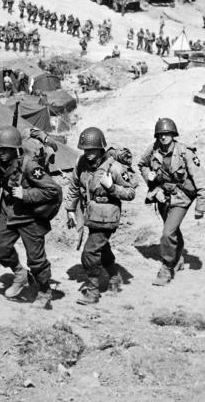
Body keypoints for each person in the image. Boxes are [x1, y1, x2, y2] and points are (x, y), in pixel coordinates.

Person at [0, 126, 61, 308]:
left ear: (15, 148)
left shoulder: (29, 165)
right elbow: (1, 175)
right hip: (9, 210)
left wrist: (26, 194)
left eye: (5, 149)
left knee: (36, 259)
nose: (1, 153)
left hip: (30, 216)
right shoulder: (0, 160)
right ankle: (20, 274)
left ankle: (44, 291)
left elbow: (53, 190)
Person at [64, 127, 138, 305]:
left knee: (90, 252)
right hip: (91, 215)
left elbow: (130, 193)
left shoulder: (114, 167)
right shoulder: (82, 163)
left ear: (101, 148)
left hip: (107, 216)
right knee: (101, 248)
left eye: (92, 150)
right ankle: (114, 277)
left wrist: (111, 187)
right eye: (86, 150)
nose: (88, 153)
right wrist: (70, 209)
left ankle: (93, 291)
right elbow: (74, 186)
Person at [137, 118, 205, 285]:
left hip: (182, 196)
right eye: (160, 134)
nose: (163, 137)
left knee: (168, 233)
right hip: (163, 195)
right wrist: (149, 178)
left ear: (173, 134)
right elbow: (141, 164)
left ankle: (167, 267)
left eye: (167, 134)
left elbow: (203, 181)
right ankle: (178, 259)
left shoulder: (185, 153)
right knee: (172, 230)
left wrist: (201, 208)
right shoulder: (153, 149)